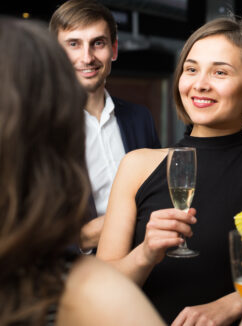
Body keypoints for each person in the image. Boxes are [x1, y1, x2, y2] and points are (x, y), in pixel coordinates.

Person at [97, 16, 242, 325]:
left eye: (220, 72)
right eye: (191, 69)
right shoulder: (137, 166)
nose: (200, 83)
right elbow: (101, 290)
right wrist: (144, 253)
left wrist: (231, 304)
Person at [50, 0, 161, 253]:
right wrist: (90, 236)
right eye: (73, 44)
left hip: (147, 262)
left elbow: (158, 194)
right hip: (74, 276)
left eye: (97, 43)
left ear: (114, 49)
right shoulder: (37, 127)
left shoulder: (140, 118)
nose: (86, 58)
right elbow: (25, 232)